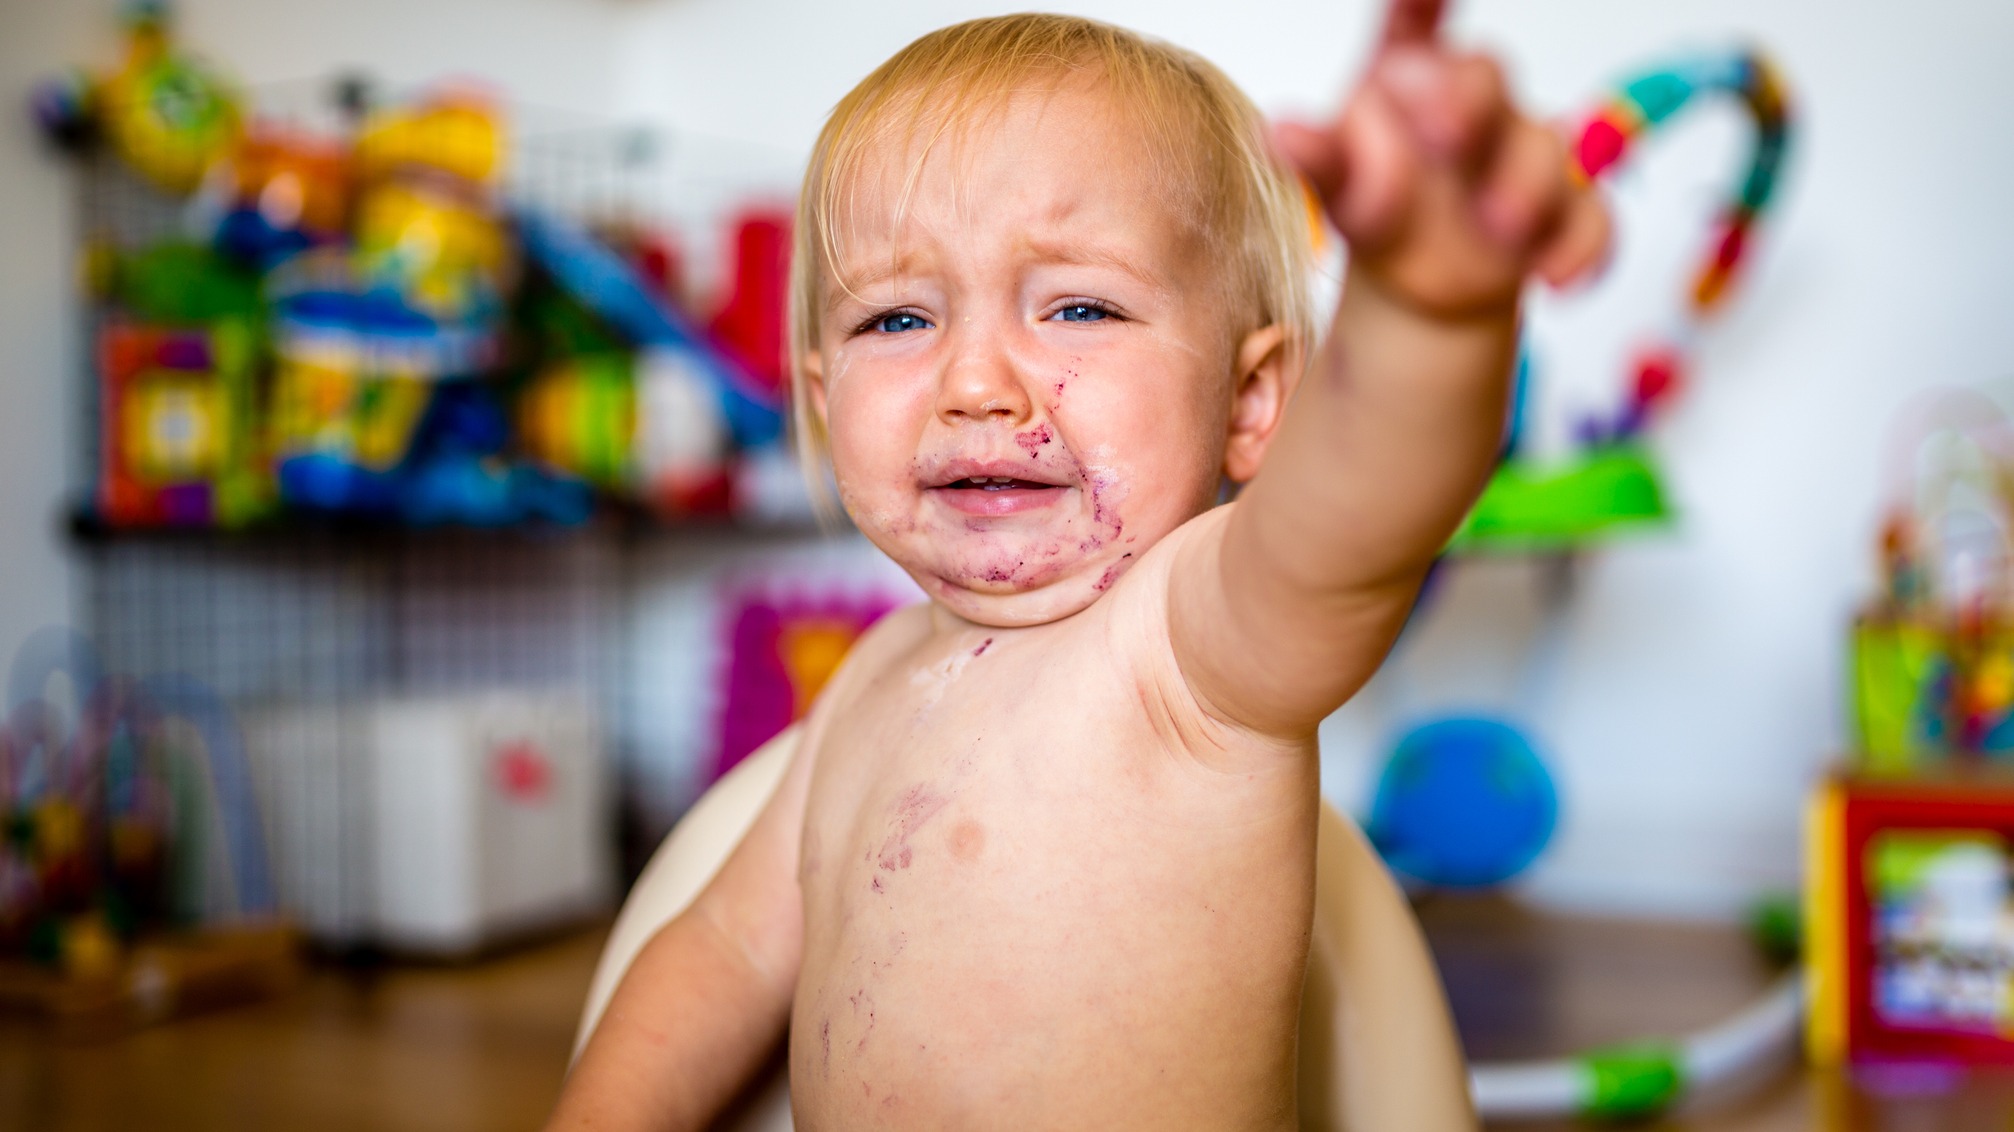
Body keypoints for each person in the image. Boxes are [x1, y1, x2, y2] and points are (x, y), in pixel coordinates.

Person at [549, 3, 1606, 1128]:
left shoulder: (1193, 657)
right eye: (898, 319)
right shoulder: (868, 681)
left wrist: (1432, 316)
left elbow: (1362, 513)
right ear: (820, 394)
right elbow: (720, 952)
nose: (973, 382)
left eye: (1079, 306)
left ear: (1253, 402)